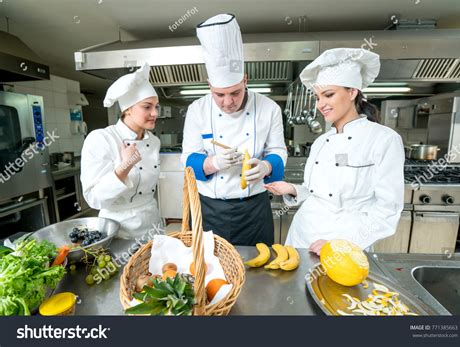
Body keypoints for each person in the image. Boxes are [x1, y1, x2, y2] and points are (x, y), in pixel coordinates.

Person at [265, 48, 404, 254]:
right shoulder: (322, 141)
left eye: (328, 95)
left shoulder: (384, 139)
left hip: (345, 243)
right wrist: (293, 190)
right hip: (302, 236)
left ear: (352, 92)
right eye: (318, 97)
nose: (321, 104)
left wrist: (342, 244)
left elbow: (388, 209)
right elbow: (316, 192)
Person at [181, 14, 287, 246]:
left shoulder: (269, 108)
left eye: (235, 93)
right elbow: (188, 159)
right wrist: (214, 163)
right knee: (209, 271)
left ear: (245, 80)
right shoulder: (197, 109)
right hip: (208, 208)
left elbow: (279, 151)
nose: (228, 102)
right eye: (219, 94)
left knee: (258, 273)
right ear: (209, 85)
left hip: (255, 208)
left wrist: (266, 166)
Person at [81, 63, 161, 239]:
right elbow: (94, 199)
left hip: (152, 224)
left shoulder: (154, 141)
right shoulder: (101, 139)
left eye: (156, 106)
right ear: (127, 110)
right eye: (147, 107)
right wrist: (125, 165)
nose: (155, 113)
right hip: (118, 230)